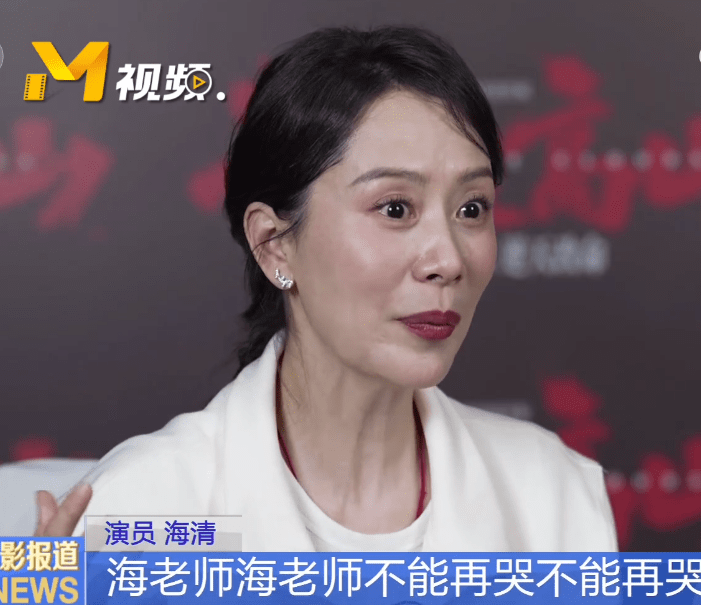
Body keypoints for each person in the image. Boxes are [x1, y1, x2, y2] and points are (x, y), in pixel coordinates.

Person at [34, 25, 617, 551]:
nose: (448, 259)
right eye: (395, 208)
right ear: (274, 245)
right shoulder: (140, 510)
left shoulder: (553, 497)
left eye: (472, 208)